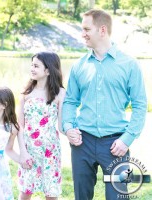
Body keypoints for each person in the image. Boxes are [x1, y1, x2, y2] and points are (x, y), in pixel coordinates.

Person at [62, 9, 147, 200]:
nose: (82, 33)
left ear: (102, 30)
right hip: (82, 142)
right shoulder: (79, 66)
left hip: (116, 144)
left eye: (86, 29)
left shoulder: (129, 65)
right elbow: (69, 101)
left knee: (117, 197)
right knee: (81, 196)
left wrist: (127, 139)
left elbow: (140, 105)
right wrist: (68, 128)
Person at [17, 52, 66, 200]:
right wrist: (23, 152)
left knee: (51, 193)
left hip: (50, 150)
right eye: (32, 65)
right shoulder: (26, 93)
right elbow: (20, 126)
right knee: (25, 191)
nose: (32, 68)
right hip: (29, 149)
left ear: (48, 70)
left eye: (36, 66)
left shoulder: (60, 93)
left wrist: (74, 133)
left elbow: (61, 125)